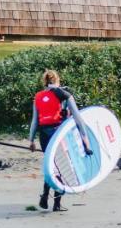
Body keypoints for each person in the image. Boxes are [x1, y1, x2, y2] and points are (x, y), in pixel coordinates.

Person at [28, 69, 89, 213]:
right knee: (62, 167)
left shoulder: (38, 96)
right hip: (59, 135)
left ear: (45, 81)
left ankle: (44, 196)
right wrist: (85, 139)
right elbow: (78, 118)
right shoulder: (64, 95)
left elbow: (35, 121)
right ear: (57, 80)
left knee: (51, 166)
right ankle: (56, 203)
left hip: (44, 136)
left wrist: (30, 140)